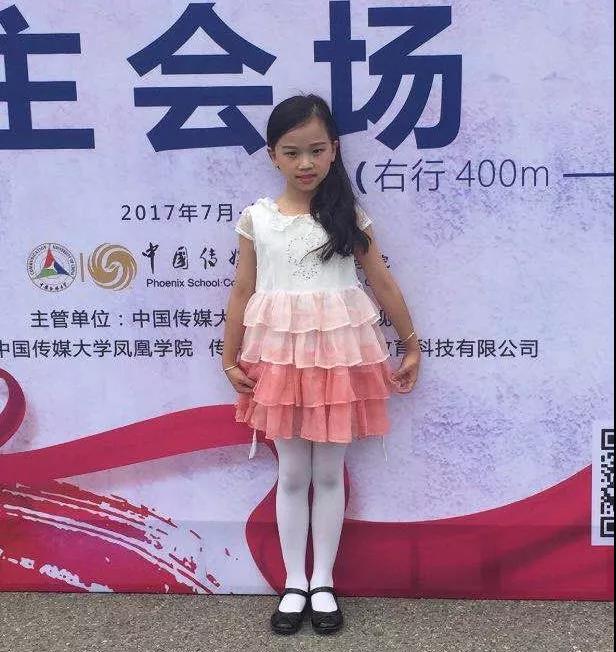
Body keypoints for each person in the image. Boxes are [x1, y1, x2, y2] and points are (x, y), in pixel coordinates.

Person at [222, 93, 420, 635]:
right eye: (292, 152)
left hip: (338, 361)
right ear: (272, 155)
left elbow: (381, 281)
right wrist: (228, 355)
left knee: (329, 473)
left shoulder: (347, 216)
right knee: (291, 472)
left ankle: (323, 581)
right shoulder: (258, 218)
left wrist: (410, 344)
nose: (305, 163)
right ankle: (294, 583)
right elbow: (242, 289)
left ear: (334, 150)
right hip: (280, 361)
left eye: (316, 150)